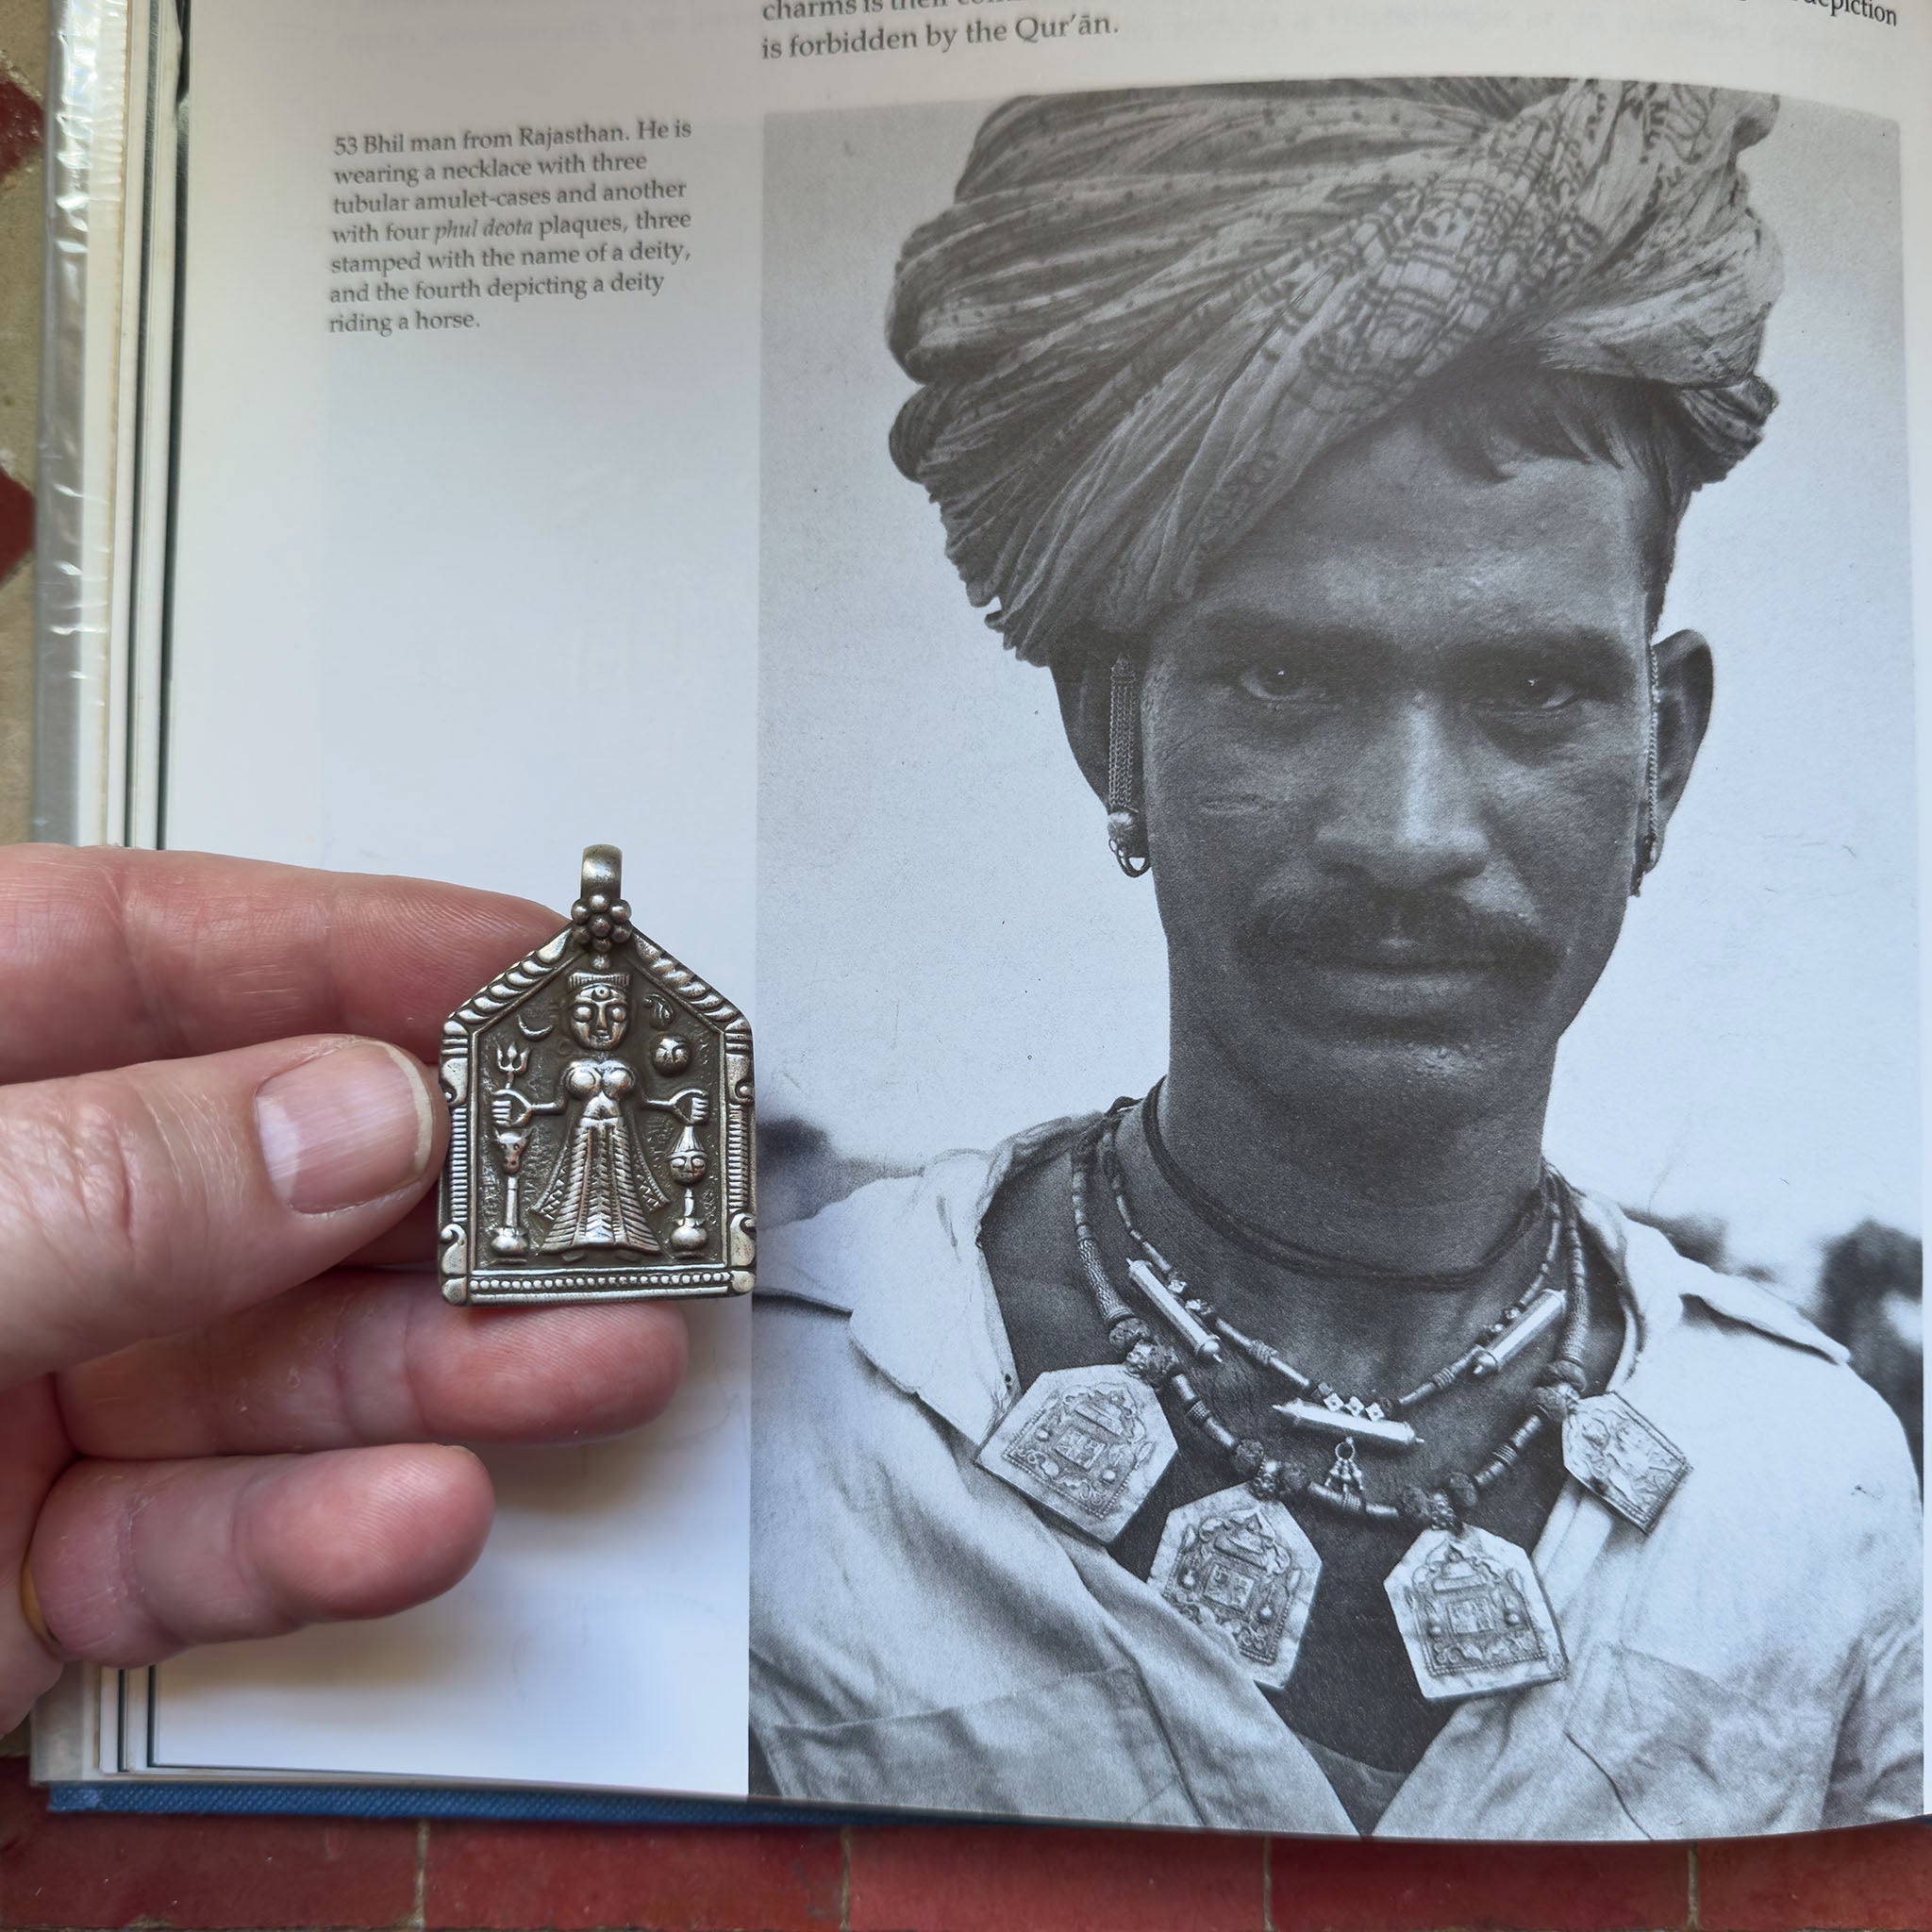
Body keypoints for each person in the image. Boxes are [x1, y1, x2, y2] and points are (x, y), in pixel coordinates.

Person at [750, 79, 1924, 1838]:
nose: (1406, 831)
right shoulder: (788, 1414)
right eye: (1286, 683)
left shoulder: (1809, 1476)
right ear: (1110, 730)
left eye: (1532, 691)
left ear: (1660, 752)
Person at [0, 844, 688, 1737]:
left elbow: (659, 1104)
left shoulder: (628, 1058)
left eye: (606, 1008)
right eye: (587, 1006)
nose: (597, 1017)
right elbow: (540, 1105)